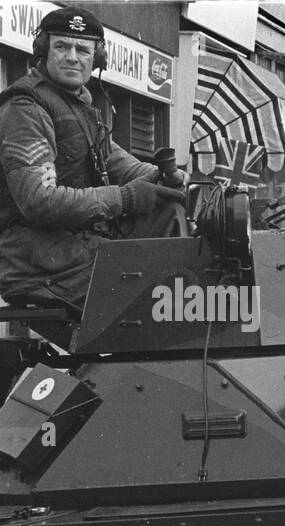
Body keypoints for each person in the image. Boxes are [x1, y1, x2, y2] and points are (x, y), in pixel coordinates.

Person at [0, 5, 186, 311]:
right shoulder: (26, 108)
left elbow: (116, 161)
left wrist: (167, 178)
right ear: (44, 51)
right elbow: (37, 200)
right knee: (163, 303)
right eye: (61, 46)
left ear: (97, 58)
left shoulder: (79, 107)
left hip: (73, 251)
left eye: (83, 50)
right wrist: (125, 198)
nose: (72, 56)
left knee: (168, 211)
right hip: (38, 262)